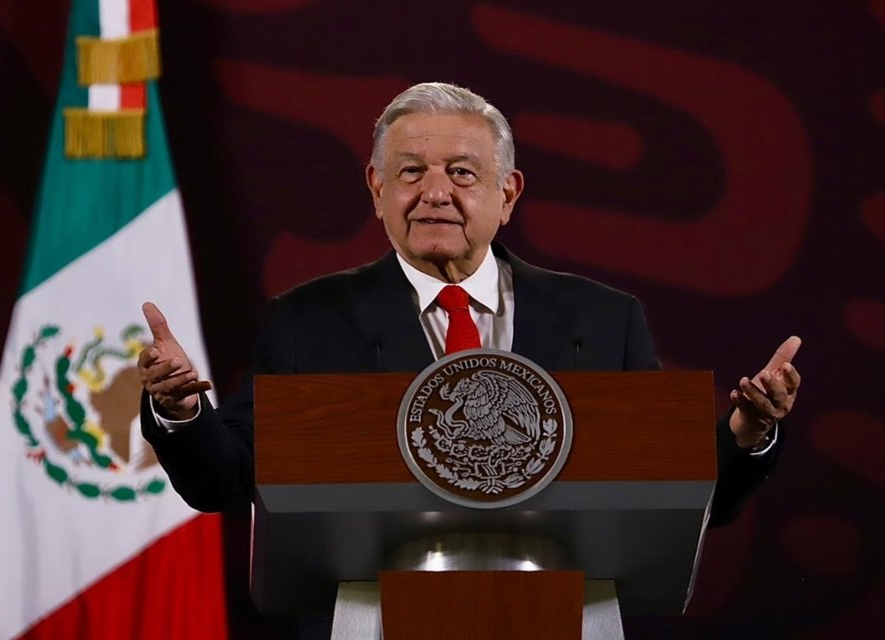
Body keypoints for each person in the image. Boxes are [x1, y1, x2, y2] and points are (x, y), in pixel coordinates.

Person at [139, 82, 801, 525]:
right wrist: (179, 410)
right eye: (409, 172)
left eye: (461, 172)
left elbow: (669, 485)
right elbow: (225, 482)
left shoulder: (602, 318)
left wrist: (747, 432)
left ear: (508, 193)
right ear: (375, 188)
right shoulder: (307, 320)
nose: (434, 193)